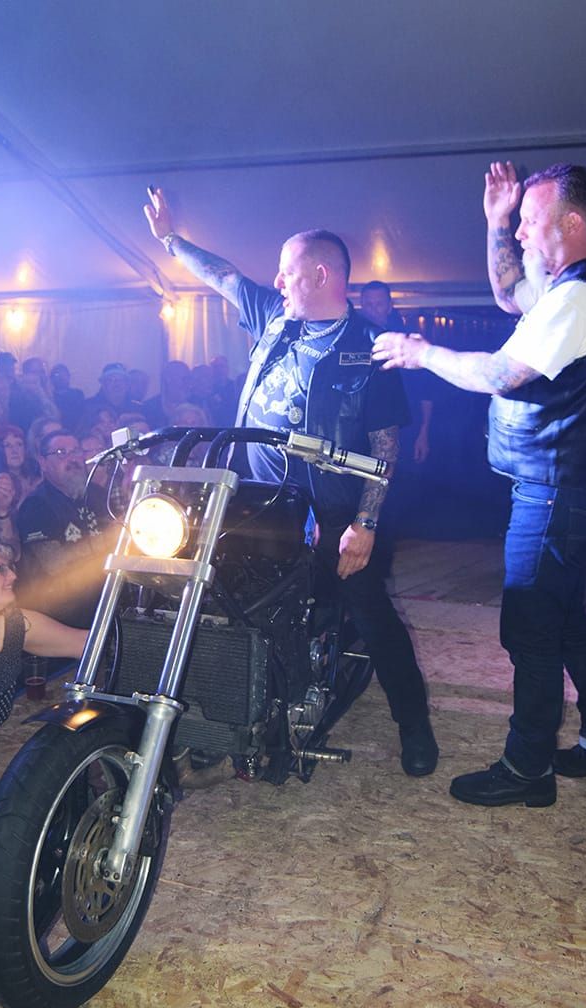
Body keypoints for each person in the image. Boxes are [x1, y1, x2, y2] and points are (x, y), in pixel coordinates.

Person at [143, 186, 438, 776]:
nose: (276, 281)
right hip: (257, 507)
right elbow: (222, 276)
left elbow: (386, 446)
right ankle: (226, 715)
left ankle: (414, 725)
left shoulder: (370, 348)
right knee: (234, 608)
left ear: (321, 274)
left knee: (371, 614)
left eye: (288, 272)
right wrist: (171, 239)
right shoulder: (274, 319)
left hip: (334, 514)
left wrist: (365, 524)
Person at [373, 161, 586, 806]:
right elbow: (507, 292)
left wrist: (421, 353)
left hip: (560, 488)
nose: (520, 231)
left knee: (530, 626)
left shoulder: (579, 298)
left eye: (528, 219)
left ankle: (527, 769)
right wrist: (495, 220)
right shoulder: (569, 288)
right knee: (561, 616)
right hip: (569, 485)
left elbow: (498, 374)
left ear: (570, 222)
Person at [0, 535, 87, 749]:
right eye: (0, 569)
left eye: (10, 568)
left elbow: (84, 644)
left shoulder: (16, 625)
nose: (13, 576)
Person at [16, 429, 116, 627]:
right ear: (43, 463)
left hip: (107, 603)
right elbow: (55, 564)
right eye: (61, 453)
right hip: (62, 617)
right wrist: (109, 539)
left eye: (76, 451)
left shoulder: (97, 494)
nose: (72, 459)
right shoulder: (36, 505)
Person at [360, 280, 433, 465]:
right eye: (368, 304)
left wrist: (424, 432)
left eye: (379, 304)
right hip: (365, 434)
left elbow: (426, 392)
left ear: (389, 306)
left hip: (407, 430)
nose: (373, 309)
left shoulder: (408, 343)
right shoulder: (353, 341)